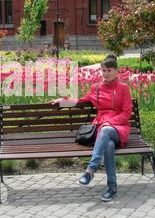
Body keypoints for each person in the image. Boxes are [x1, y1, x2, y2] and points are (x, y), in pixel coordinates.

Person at [51, 54, 132, 202]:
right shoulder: (96, 89)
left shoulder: (123, 88)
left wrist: (111, 122)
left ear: (116, 72)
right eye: (104, 70)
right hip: (102, 130)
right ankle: (112, 187)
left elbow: (126, 113)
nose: (106, 74)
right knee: (108, 146)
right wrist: (62, 101)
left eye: (109, 70)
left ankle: (90, 170)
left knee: (106, 130)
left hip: (118, 128)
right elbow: (80, 101)